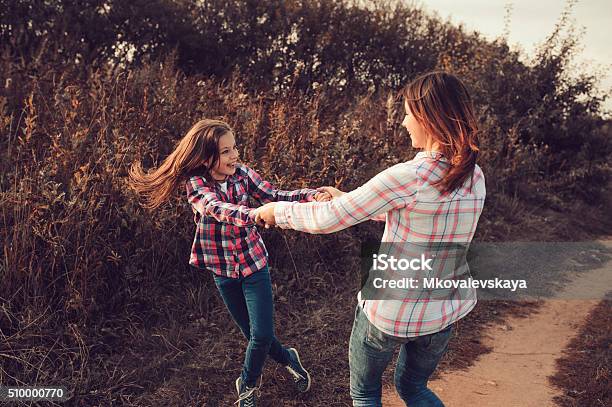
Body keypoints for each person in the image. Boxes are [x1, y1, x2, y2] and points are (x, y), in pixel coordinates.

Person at [254, 71, 486, 407]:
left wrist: (276, 212)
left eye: (408, 114)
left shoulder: (408, 176)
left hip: (392, 310)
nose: (404, 122)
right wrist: (347, 197)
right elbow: (410, 211)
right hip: (444, 310)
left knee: (365, 393)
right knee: (414, 388)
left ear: (428, 118)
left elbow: (329, 219)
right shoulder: (473, 176)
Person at [129, 119, 329, 406]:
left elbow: (274, 196)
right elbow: (216, 209)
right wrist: (255, 215)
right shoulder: (196, 184)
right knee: (254, 335)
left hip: (253, 264)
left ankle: (247, 385)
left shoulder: (243, 174)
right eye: (225, 151)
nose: (235, 155)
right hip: (223, 271)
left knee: (260, 336)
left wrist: (310, 196)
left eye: (234, 148)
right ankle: (289, 359)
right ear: (206, 157)